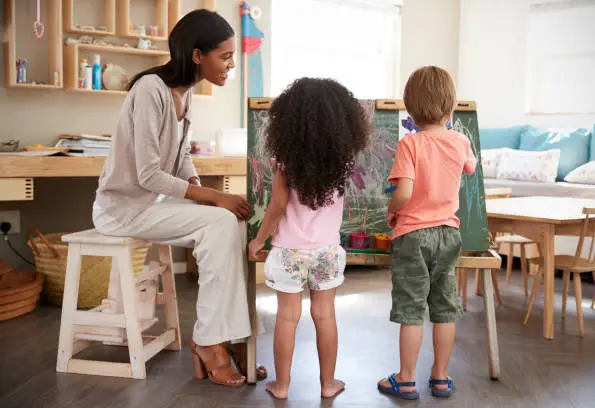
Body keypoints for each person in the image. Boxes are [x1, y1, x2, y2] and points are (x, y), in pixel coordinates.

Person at [92, 9, 266, 387]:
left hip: (151, 206)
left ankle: (231, 336)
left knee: (233, 221)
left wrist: (205, 194)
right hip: (123, 210)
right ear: (197, 56)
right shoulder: (150, 90)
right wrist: (212, 196)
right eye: (225, 56)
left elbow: (182, 156)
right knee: (222, 219)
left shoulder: (184, 94)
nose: (231, 64)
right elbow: (148, 174)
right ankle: (208, 341)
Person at [248, 78, 369, 399]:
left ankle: (282, 385)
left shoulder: (286, 163)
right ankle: (328, 384)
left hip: (289, 252)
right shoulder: (342, 163)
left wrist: (259, 240)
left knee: (287, 318)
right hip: (326, 252)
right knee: (325, 315)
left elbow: (275, 209)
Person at [377, 66, 476, 400]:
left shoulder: (410, 144)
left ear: (410, 109)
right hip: (448, 233)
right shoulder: (461, 141)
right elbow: (471, 167)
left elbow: (403, 191)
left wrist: (393, 210)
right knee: (444, 307)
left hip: (413, 236)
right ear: (450, 107)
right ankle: (441, 376)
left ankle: (405, 379)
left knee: (411, 309)